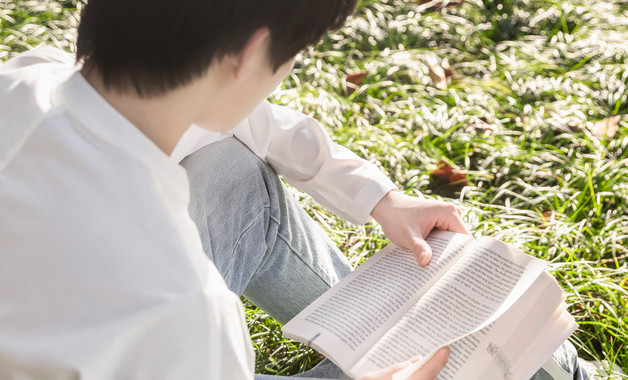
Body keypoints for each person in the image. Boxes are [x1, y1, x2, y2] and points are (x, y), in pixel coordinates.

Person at [0, 0, 587, 379]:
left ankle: (385, 325)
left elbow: (257, 123)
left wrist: (382, 199)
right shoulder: (183, 309)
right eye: (290, 60)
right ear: (250, 55)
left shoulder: (28, 78)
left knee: (227, 170)